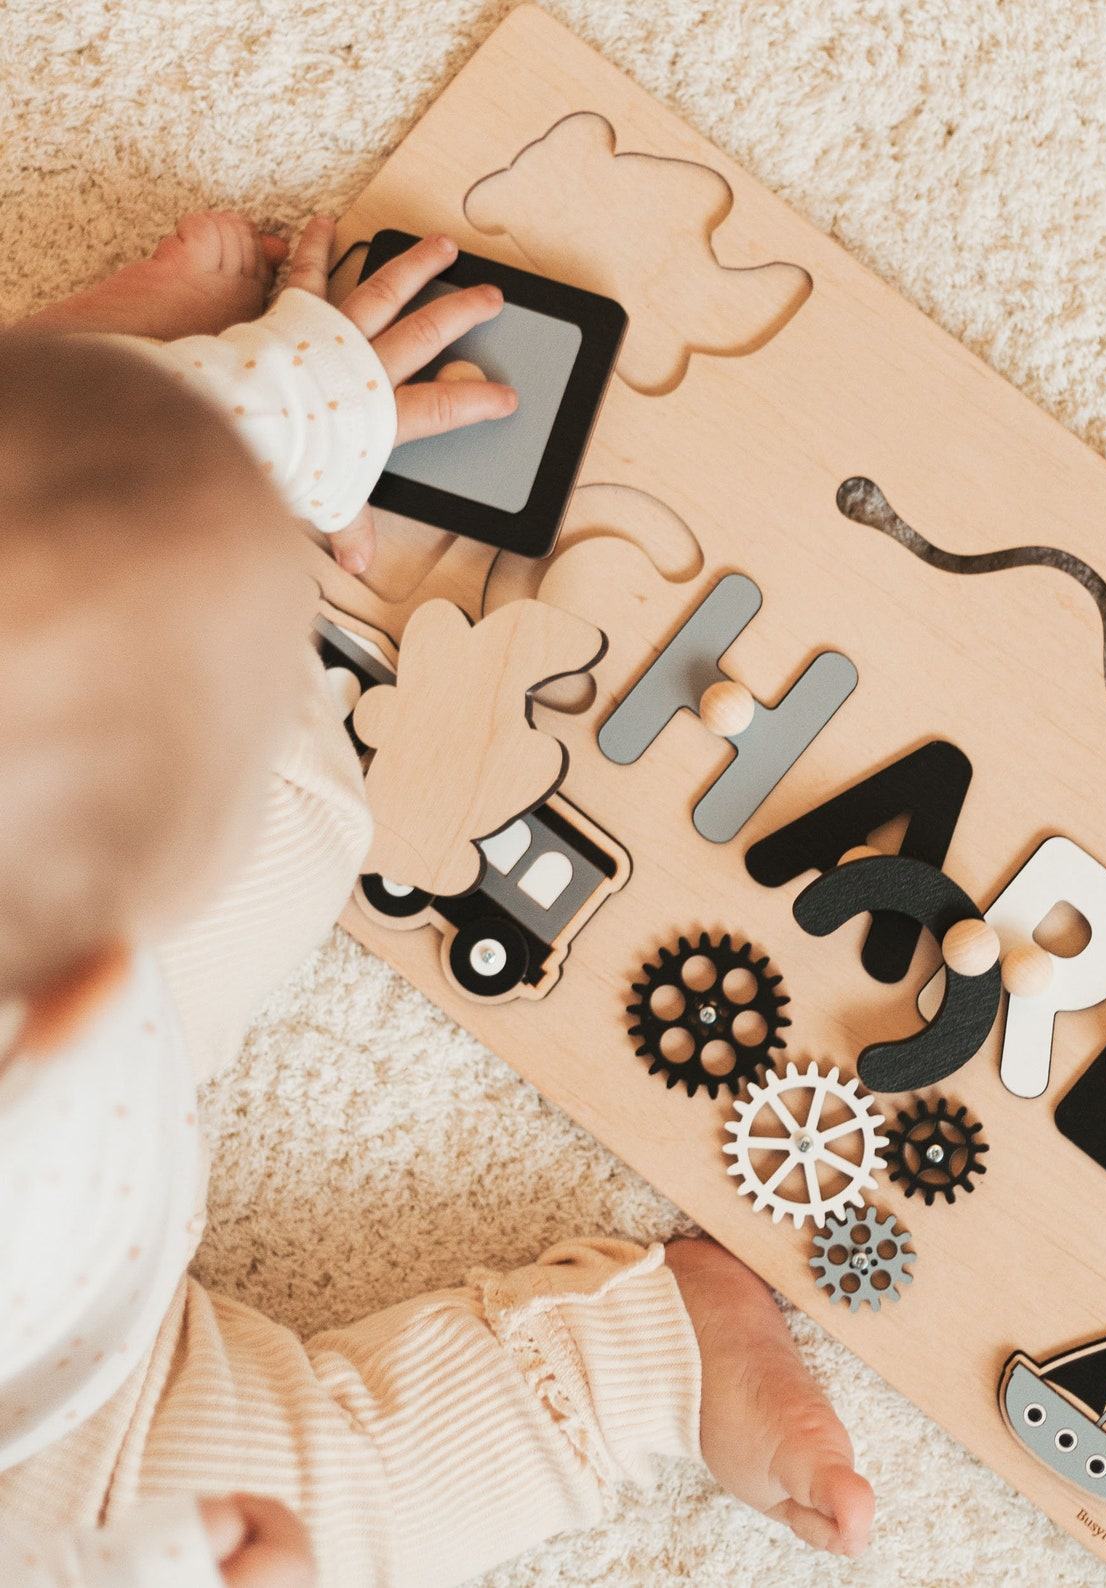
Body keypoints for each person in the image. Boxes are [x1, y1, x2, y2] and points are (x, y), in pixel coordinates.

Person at [0, 213, 874, 1585]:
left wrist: (286, 403)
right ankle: (653, 1355)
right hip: (50, 1406)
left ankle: (109, 421)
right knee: (340, 1501)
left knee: (288, 799)